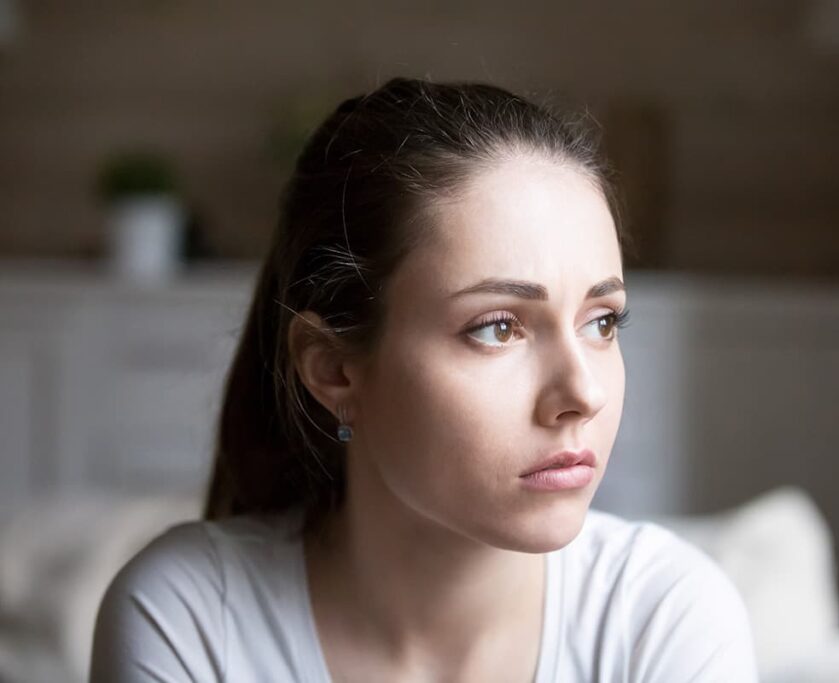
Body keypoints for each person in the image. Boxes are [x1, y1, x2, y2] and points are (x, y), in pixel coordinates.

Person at [90, 77, 758, 682]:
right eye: (498, 326)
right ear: (334, 367)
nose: (584, 392)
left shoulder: (666, 619)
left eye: (602, 322)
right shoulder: (189, 620)